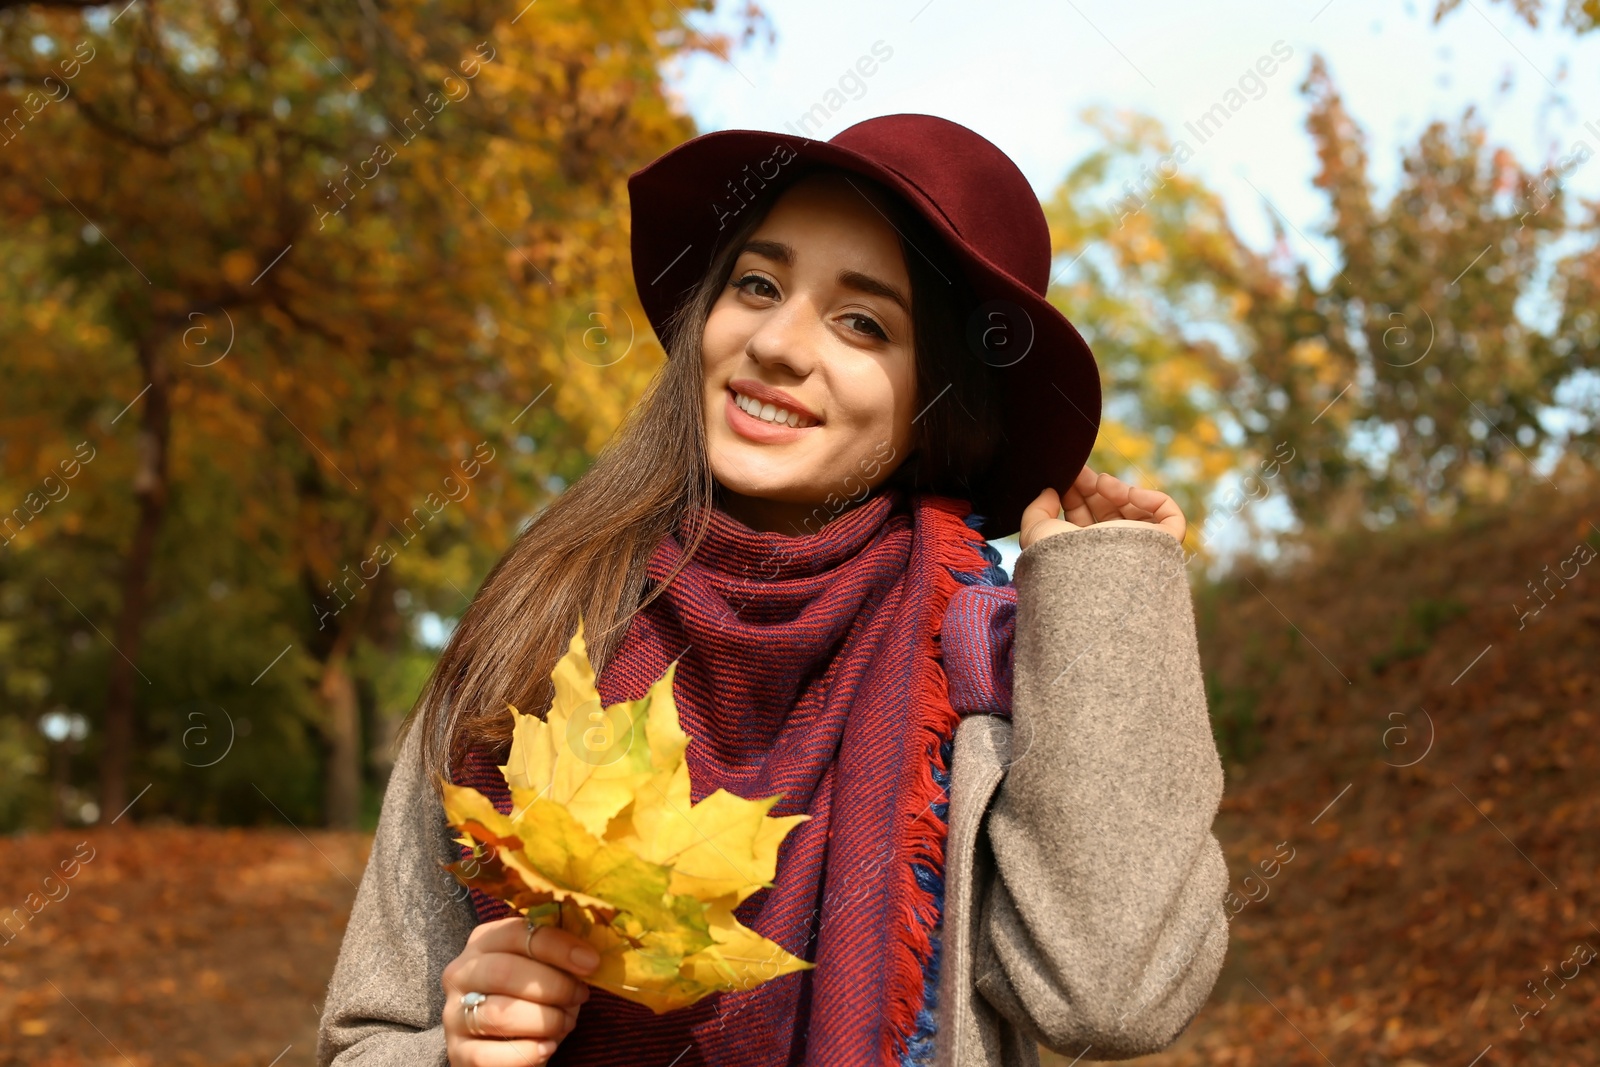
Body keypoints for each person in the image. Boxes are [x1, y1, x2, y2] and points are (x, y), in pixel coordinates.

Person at [316, 113, 1229, 1067]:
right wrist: (458, 1048)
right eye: (758, 284)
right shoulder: (539, 623)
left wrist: (1111, 595)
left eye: (862, 321)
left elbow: (1111, 998)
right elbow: (362, 1039)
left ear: (938, 403)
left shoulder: (988, 660)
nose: (779, 343)